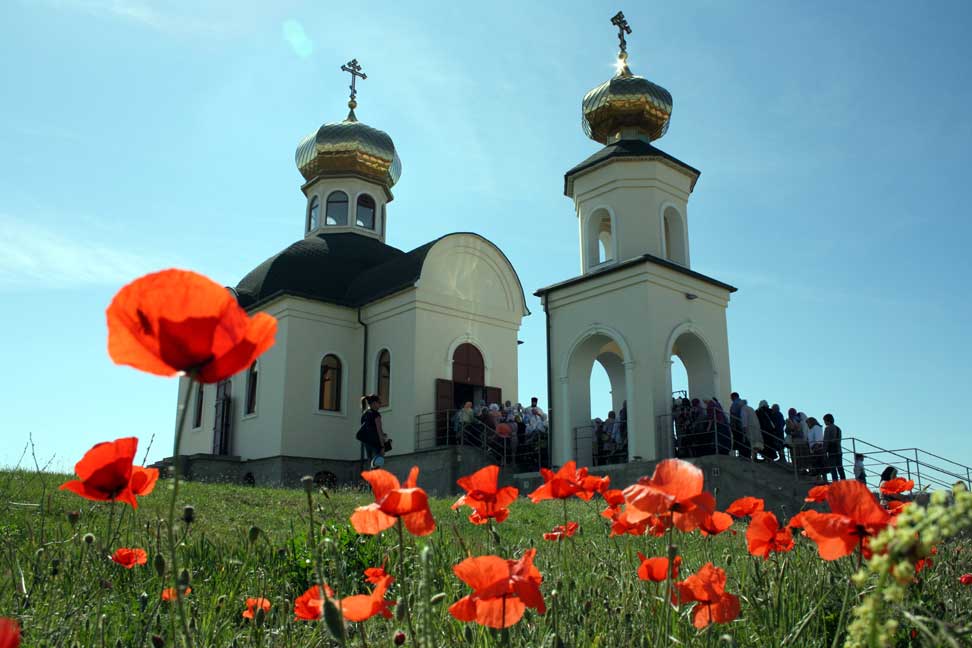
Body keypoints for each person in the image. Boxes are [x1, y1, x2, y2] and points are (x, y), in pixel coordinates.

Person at [357, 394, 388, 468]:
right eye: (379, 402)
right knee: (377, 465)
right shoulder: (376, 415)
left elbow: (368, 428)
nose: (380, 404)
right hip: (375, 444)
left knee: (371, 465)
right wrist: (383, 447)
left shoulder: (365, 414)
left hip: (367, 443)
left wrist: (382, 434)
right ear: (374, 403)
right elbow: (379, 430)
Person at [823, 413, 846, 481]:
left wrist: (824, 451)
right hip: (838, 450)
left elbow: (826, 440)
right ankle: (843, 482)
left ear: (827, 420)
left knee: (833, 469)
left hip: (831, 450)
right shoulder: (838, 428)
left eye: (824, 420)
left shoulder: (827, 428)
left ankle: (835, 483)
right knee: (840, 468)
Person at [806, 417, 825, 481]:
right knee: (816, 465)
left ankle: (822, 479)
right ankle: (818, 479)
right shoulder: (811, 429)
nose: (807, 425)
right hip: (813, 449)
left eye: (808, 423)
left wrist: (816, 447)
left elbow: (818, 439)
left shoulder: (816, 427)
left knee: (819, 464)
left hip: (817, 448)